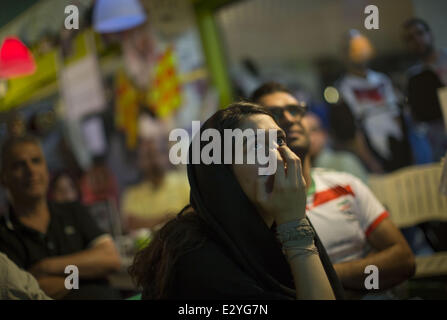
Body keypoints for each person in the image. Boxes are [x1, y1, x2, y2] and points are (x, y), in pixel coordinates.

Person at [130, 102, 344, 300]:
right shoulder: (195, 260)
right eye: (257, 148)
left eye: (279, 141)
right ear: (222, 175)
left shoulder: (283, 221)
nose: (280, 157)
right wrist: (295, 229)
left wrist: (294, 225)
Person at [251, 82, 415, 298]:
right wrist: (368, 271)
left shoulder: (346, 186)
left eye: (294, 110)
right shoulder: (260, 210)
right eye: (274, 114)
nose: (290, 119)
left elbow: (404, 261)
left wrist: (323, 275)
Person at [0, 135, 122, 299]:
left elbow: (110, 259)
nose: (31, 170)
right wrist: (87, 273)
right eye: (19, 165)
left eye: (36, 161)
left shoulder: (73, 210)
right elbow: (29, 291)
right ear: (4, 177)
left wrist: (46, 266)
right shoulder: (3, 233)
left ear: (46, 169)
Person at [338, 30, 411, 172]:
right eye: (355, 48)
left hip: (398, 145)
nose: (361, 52)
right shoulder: (344, 88)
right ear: (346, 54)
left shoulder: (382, 80)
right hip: (373, 150)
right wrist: (370, 161)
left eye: (363, 46)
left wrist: (408, 148)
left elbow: (396, 115)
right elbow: (353, 131)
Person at [121, 136, 190, 232]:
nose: (153, 161)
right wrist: (169, 218)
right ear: (140, 162)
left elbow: (192, 214)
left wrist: (147, 222)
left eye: (156, 154)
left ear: (165, 156)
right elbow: (131, 223)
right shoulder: (133, 193)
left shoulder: (183, 182)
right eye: (148, 156)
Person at [402, 18, 447, 162]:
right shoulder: (413, 77)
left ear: (430, 34)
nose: (417, 40)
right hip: (438, 145)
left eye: (420, 33)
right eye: (410, 38)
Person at [302, 109, 368, 184]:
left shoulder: (345, 161)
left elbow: (360, 193)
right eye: (302, 132)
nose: (309, 138)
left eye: (313, 130)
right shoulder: (300, 170)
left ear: (324, 134)